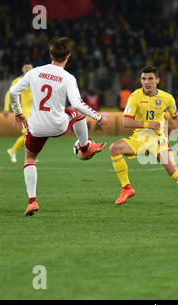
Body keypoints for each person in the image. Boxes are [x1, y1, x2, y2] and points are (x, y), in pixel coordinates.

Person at [9, 37, 108, 216]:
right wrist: (99, 117)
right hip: (58, 125)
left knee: (30, 160)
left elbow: (14, 92)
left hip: (36, 126)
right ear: (68, 56)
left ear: (50, 54)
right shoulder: (68, 77)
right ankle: (85, 147)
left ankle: (32, 201)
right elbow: (77, 104)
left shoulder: (35, 72)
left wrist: (18, 113)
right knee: (76, 114)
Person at [109, 65, 178, 210]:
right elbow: (126, 122)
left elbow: (176, 118)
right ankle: (127, 188)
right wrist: (147, 124)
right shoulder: (135, 96)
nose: (146, 82)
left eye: (150, 79)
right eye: (143, 79)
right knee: (114, 148)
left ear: (158, 80)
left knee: (171, 168)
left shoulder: (167, 98)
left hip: (158, 138)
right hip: (139, 138)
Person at [3, 63, 33, 163]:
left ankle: (13, 151)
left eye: (29, 67)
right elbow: (9, 93)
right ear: (22, 69)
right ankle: (16, 152)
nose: (28, 69)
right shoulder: (18, 81)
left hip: (34, 113)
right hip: (23, 112)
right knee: (27, 135)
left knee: (32, 135)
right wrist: (6, 108)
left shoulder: (35, 80)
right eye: (26, 67)